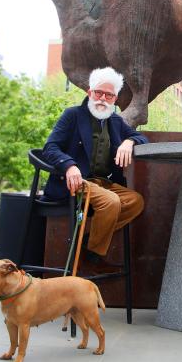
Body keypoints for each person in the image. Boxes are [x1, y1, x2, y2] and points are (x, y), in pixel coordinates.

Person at [43, 67, 148, 265]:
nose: (102, 98)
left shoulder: (115, 121)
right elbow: (50, 147)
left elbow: (141, 137)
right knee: (111, 202)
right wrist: (69, 166)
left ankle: (88, 239)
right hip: (75, 182)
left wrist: (129, 142)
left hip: (101, 183)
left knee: (136, 201)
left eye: (109, 95)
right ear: (89, 93)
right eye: (98, 92)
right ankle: (95, 253)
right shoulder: (72, 115)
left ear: (115, 99)